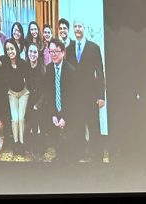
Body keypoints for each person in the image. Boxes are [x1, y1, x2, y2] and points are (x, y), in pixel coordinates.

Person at [66, 18, 106, 162]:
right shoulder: (69, 48)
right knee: (78, 125)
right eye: (75, 26)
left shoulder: (93, 47)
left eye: (80, 26)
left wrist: (101, 96)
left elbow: (100, 72)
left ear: (84, 28)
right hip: (75, 96)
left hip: (91, 95)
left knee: (93, 125)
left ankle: (97, 156)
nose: (77, 29)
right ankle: (80, 154)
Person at [45, 39, 77, 161]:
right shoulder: (48, 69)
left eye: (56, 51)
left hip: (68, 112)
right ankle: (59, 157)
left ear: (63, 52)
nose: (53, 54)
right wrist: (53, 114)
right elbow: (49, 94)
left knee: (68, 146)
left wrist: (65, 117)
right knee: (56, 139)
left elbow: (73, 98)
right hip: (55, 110)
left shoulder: (71, 71)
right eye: (51, 51)